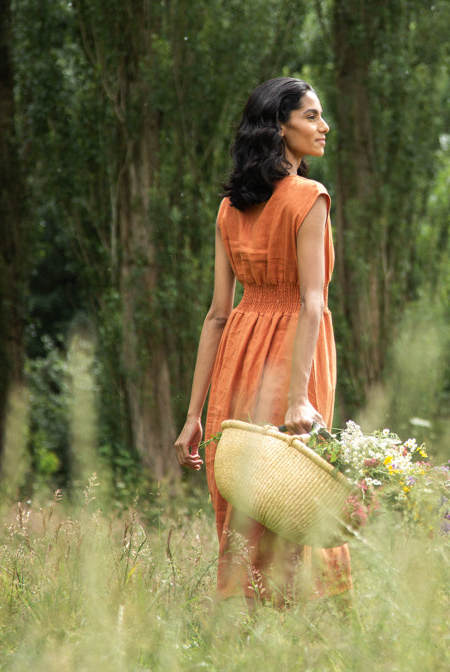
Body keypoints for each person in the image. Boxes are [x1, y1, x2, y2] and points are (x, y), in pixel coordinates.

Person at [174, 76, 351, 605]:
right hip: (293, 351)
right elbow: (311, 301)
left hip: (238, 355)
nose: (324, 126)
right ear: (280, 127)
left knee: (249, 494)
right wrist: (299, 395)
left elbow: (216, 317)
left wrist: (193, 416)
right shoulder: (308, 197)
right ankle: (309, 622)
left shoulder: (231, 207)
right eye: (312, 117)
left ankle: (244, 622)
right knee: (298, 490)